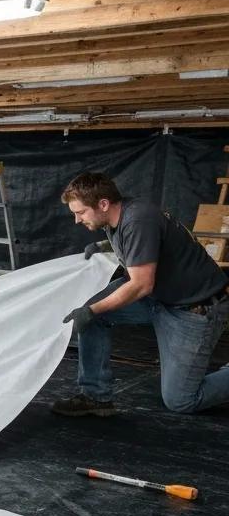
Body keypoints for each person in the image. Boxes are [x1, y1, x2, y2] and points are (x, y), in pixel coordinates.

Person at [54, 171, 229, 416]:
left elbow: (140, 285)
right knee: (92, 315)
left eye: (80, 212)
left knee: (181, 400)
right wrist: (105, 247)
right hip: (160, 297)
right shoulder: (116, 219)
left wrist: (92, 310)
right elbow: (142, 246)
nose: (77, 220)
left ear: (103, 204)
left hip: (194, 309)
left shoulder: (137, 220)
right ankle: (95, 397)